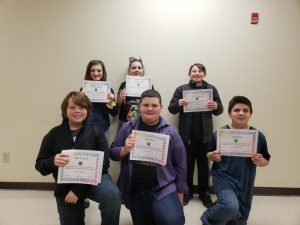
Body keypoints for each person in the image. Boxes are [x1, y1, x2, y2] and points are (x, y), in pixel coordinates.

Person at [35, 91, 121, 225]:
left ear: (88, 110)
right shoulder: (53, 134)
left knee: (112, 196)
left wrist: (78, 190)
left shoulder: (96, 131)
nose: (77, 111)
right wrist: (52, 161)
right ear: (65, 110)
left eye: (82, 107)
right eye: (72, 107)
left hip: (95, 179)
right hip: (66, 184)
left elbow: (104, 163)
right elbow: (40, 165)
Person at [110, 89, 187, 225]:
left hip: (163, 186)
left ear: (161, 108)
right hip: (136, 188)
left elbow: (180, 164)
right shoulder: (128, 128)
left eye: (154, 105)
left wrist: (180, 192)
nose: (150, 109)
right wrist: (124, 149)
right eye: (145, 105)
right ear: (139, 107)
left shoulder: (171, 132)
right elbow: (113, 152)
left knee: (172, 221)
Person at [201, 96, 271, 225]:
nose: (241, 113)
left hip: (246, 179)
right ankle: (208, 216)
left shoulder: (258, 136)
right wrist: (212, 156)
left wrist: (262, 162)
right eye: (236, 110)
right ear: (229, 113)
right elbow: (208, 154)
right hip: (223, 176)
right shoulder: (219, 134)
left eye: (245, 110)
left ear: (251, 114)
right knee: (230, 206)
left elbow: (266, 159)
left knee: (241, 217)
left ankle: (223, 206)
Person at [168, 63, 223, 207]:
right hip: (187, 136)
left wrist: (216, 106)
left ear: (204, 74)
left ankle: (204, 193)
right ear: (189, 74)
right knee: (186, 165)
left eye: (200, 71)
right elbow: (171, 109)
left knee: (204, 166)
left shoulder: (211, 89)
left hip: (205, 136)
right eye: (194, 71)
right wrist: (178, 103)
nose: (197, 73)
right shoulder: (181, 89)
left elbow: (220, 110)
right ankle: (187, 192)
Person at [82, 59, 118, 141]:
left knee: (103, 152)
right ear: (89, 72)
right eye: (92, 70)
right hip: (85, 128)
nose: (96, 73)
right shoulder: (83, 89)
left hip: (103, 128)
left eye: (99, 70)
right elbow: (79, 109)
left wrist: (110, 102)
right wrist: (80, 100)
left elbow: (114, 113)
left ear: (103, 72)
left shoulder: (109, 90)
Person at [117, 57, 151, 129]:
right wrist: (120, 99)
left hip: (144, 121)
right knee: (123, 140)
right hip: (125, 121)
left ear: (143, 70)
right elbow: (117, 106)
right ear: (129, 71)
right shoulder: (124, 85)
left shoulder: (149, 85)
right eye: (133, 68)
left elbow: (152, 104)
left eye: (139, 68)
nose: (137, 70)